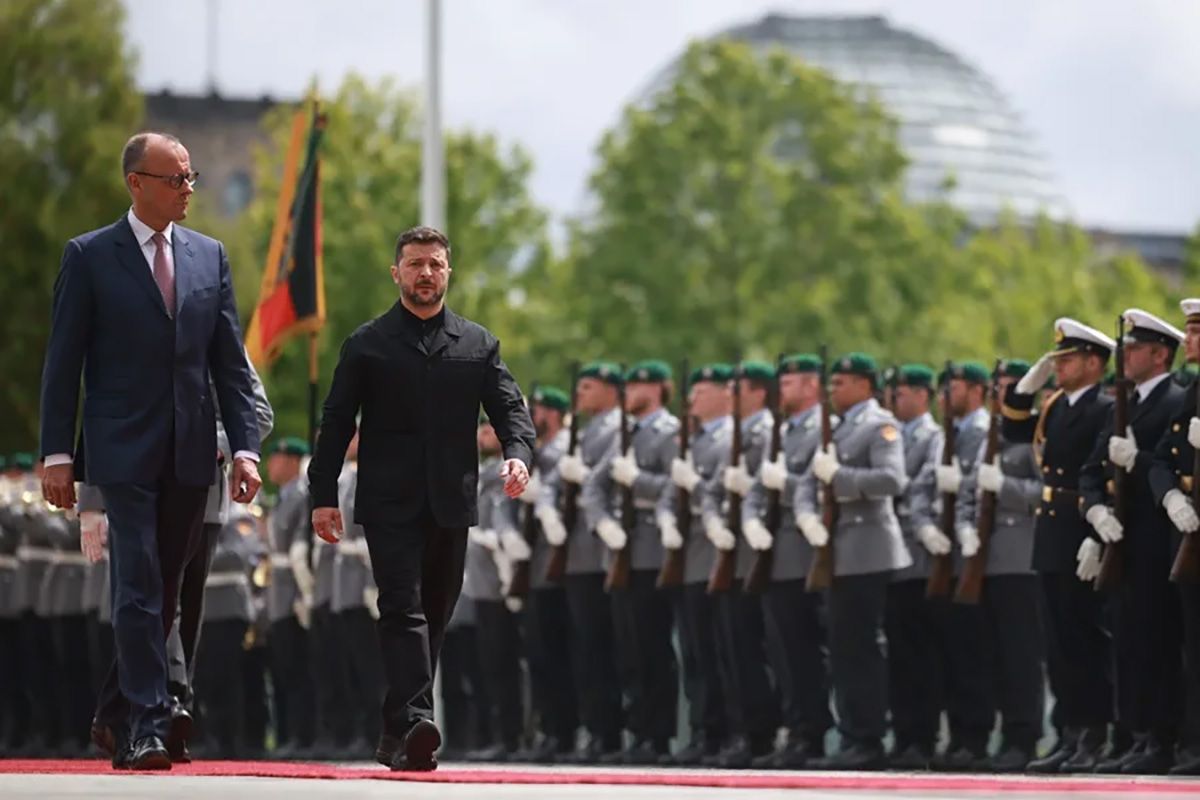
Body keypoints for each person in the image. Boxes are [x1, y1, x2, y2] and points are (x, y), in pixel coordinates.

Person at [39, 130, 263, 769]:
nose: (188, 189)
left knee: (162, 593)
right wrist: (58, 453)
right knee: (136, 586)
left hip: (192, 453)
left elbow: (230, 366)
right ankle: (146, 724)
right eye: (176, 179)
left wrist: (244, 449)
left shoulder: (209, 256)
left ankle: (113, 712)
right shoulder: (89, 257)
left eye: (191, 178)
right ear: (136, 183)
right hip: (120, 450)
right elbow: (64, 362)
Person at [306, 225, 535, 772]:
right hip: (388, 502)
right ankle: (415, 719)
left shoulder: (478, 344)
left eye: (434, 263)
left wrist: (518, 452)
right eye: (414, 264)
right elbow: (336, 423)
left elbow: (510, 409)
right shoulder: (367, 344)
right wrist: (323, 494)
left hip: (452, 503)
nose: (425, 273)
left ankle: (396, 730)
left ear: (448, 272)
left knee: (435, 614)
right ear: (397, 273)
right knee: (402, 607)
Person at [1001, 318, 1116, 772]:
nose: (1059, 368)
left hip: (1078, 525)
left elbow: (1103, 478)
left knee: (1084, 636)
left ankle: (1094, 732)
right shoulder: (1055, 407)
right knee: (1058, 641)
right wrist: (1023, 390)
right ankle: (1070, 730)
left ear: (1093, 362)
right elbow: (1013, 430)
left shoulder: (1105, 409)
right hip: (1050, 529)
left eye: (1067, 360)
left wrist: (1094, 536)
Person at [1081, 309, 1187, 774]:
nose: (1123, 356)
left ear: (1160, 355)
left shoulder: (1173, 400)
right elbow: (1092, 470)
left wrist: (1138, 459)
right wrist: (1094, 513)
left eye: (1134, 349)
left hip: (1153, 536)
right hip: (1120, 536)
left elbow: (1160, 464)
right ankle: (1137, 735)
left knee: (1156, 642)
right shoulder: (1122, 402)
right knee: (1126, 641)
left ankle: (1162, 738)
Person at [797, 352, 911, 770]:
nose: (833, 390)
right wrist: (807, 514)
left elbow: (892, 480)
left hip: (867, 549)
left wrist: (840, 477)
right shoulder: (839, 427)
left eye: (842, 382)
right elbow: (809, 482)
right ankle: (852, 735)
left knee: (859, 647)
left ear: (865, 385)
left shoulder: (879, 425)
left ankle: (866, 738)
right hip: (838, 552)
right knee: (844, 648)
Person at [585, 360, 681, 764]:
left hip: (654, 553)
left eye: (639, 383)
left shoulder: (669, 432)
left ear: (659, 388)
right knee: (629, 649)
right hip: (621, 552)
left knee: (654, 647)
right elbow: (595, 486)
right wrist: (603, 523)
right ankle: (638, 731)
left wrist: (637, 481)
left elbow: (678, 488)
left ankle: (659, 736)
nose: (631, 390)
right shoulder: (624, 433)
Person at [955, 359, 1046, 772]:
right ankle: (982, 738)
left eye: (1012, 387)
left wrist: (1004, 488)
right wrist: (965, 529)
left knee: (1019, 656)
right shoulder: (984, 436)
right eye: (999, 388)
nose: (1004, 395)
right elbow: (967, 494)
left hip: (1020, 558)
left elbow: (1046, 492)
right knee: (982, 655)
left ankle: (1022, 738)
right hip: (983, 560)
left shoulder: (1033, 435)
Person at [743, 354, 834, 768]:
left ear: (813, 385)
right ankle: (797, 731)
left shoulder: (825, 428)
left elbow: (820, 482)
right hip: (777, 553)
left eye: (792, 381)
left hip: (811, 550)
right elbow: (760, 489)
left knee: (812, 649)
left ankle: (814, 733)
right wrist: (752, 523)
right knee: (785, 651)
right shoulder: (779, 431)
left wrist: (790, 485)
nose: (783, 389)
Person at [657, 364, 733, 765]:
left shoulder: (730, 438)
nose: (692, 400)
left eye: (701, 392)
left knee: (722, 652)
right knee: (696, 654)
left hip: (718, 557)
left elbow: (723, 494)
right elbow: (672, 493)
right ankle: (703, 731)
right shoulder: (692, 440)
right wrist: (668, 519)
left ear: (725, 394)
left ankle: (725, 733)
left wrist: (695, 487)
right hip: (688, 561)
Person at [556, 361, 626, 762]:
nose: (580, 394)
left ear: (610, 390)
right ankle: (598, 731)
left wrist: (581, 476)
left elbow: (600, 483)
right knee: (588, 649)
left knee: (608, 647)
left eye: (588, 386)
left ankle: (611, 732)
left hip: (604, 553)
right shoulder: (589, 432)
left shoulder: (617, 429)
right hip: (581, 554)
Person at [510, 385, 578, 763]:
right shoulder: (536, 453)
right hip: (536, 566)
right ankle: (550, 730)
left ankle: (563, 731)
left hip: (560, 565)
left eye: (534, 412)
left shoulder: (561, 450)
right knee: (540, 656)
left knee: (559, 653)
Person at [1148, 298, 1200, 775]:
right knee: (1191, 645)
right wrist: (1171, 498)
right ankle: (1193, 745)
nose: (1190, 341)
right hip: (1189, 532)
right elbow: (1162, 457)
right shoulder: (1193, 392)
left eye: (1197, 332)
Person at [884, 364, 945, 770]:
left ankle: (923, 737)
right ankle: (903, 734)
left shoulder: (933, 437)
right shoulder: (890, 434)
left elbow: (920, 484)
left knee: (922, 653)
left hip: (920, 557)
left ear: (924, 395)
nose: (894, 400)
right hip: (892, 556)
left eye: (902, 392)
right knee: (898, 656)